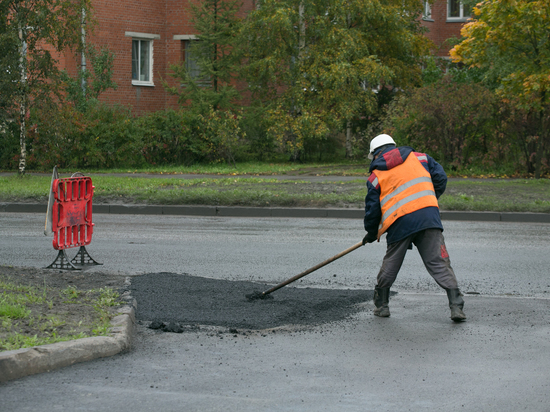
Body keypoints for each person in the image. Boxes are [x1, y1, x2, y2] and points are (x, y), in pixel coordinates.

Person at [362, 134, 466, 322]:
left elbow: (372, 211)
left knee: (391, 263)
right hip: (428, 216)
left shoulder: (375, 177)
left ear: (375, 154)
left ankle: (382, 306)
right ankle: (456, 306)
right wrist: (429, 200)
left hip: (399, 224)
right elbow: (440, 177)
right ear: (393, 146)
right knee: (439, 262)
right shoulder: (421, 158)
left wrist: (371, 233)